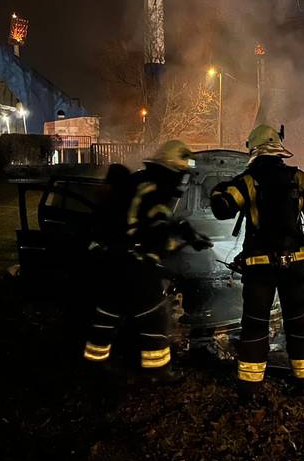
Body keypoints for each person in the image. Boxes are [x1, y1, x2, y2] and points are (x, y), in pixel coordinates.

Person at [209, 125, 304, 396]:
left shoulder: (249, 181)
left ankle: (250, 386)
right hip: (296, 266)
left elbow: (222, 209)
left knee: (255, 325)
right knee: (299, 323)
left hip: (260, 269)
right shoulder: (299, 179)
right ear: (279, 150)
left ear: (253, 149)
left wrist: (219, 189)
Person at [83, 140, 212, 381]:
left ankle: (94, 365)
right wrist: (178, 245)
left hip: (112, 260)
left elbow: (165, 220)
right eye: (182, 174)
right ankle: (158, 371)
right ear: (173, 170)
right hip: (135, 264)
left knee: (108, 314)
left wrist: (190, 235)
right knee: (154, 316)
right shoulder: (154, 189)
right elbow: (156, 232)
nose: (183, 181)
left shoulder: (142, 182)